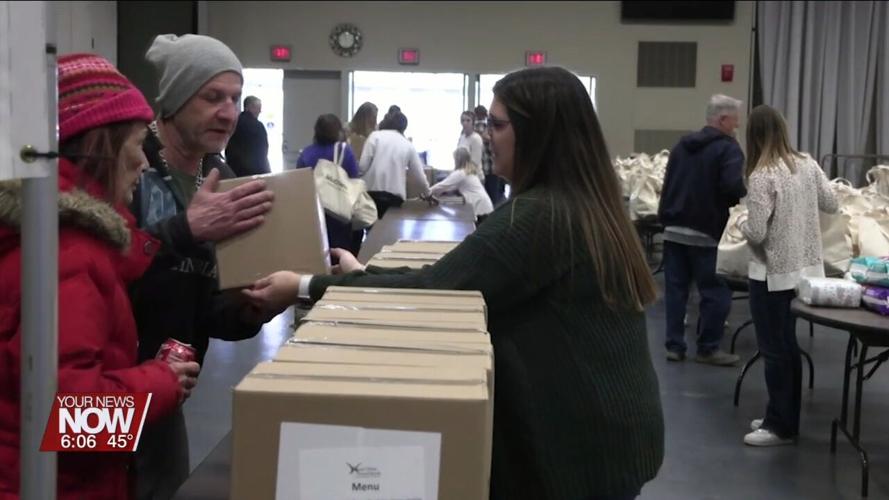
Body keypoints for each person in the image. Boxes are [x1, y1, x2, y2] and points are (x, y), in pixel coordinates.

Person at [244, 67, 664, 500]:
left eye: (498, 125)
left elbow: (434, 291)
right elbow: (454, 276)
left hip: (578, 451)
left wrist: (304, 285)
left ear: (538, 133)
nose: (487, 136)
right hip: (611, 434)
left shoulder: (542, 216)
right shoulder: (583, 202)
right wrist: (357, 276)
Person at [0, 54, 198, 500]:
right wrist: (163, 382)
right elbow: (73, 421)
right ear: (100, 147)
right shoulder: (69, 256)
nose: (144, 164)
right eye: (135, 145)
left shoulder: (42, 238)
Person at [131, 34, 284, 500]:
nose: (229, 111)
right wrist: (186, 228)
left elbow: (209, 309)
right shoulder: (131, 166)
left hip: (165, 394)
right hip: (110, 385)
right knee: (89, 483)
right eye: (212, 97)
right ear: (175, 101)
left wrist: (253, 306)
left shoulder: (224, 183)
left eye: (236, 98)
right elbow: (106, 276)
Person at [739, 105, 838, 447]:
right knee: (788, 346)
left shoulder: (762, 175)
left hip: (770, 275)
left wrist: (739, 221)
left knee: (774, 349)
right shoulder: (808, 164)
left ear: (752, 135)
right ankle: (783, 415)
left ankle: (780, 424)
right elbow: (833, 203)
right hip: (804, 271)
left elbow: (755, 232)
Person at [657, 94, 747, 366]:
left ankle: (674, 345)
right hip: (707, 231)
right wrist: (743, 192)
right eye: (734, 122)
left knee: (676, 291)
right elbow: (732, 187)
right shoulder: (728, 149)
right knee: (715, 291)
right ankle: (708, 348)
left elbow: (668, 182)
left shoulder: (681, 146)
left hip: (673, 228)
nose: (736, 127)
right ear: (722, 119)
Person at [297, 113, 361, 253]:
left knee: (317, 254)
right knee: (340, 254)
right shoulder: (345, 151)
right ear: (337, 131)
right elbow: (354, 180)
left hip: (314, 213)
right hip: (339, 215)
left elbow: (300, 186)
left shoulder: (306, 154)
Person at [358, 111, 429, 218]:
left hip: (371, 193)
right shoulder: (407, 144)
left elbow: (362, 167)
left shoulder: (374, 136)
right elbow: (419, 176)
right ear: (404, 127)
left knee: (372, 230)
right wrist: (428, 194)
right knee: (390, 231)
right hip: (394, 197)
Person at [429, 147, 493, 225]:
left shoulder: (460, 173)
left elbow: (440, 186)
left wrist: (425, 192)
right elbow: (453, 187)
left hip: (480, 209)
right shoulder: (469, 171)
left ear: (458, 159)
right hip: (485, 207)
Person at [225, 95, 271, 177]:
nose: (260, 111)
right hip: (256, 172)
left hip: (234, 171)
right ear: (249, 107)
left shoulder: (234, 123)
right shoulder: (258, 126)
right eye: (258, 107)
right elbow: (263, 150)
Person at [475, 104, 506, 206]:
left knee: (484, 200)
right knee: (494, 198)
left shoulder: (470, 130)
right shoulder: (489, 128)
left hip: (480, 170)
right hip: (491, 168)